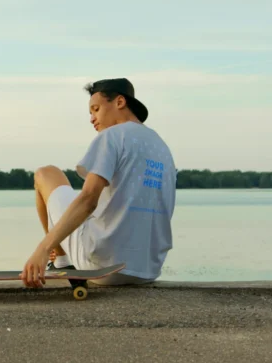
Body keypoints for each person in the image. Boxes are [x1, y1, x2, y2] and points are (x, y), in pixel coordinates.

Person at [20, 78, 176, 288]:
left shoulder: (112, 136)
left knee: (46, 174)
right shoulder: (162, 146)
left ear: (119, 102)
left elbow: (88, 200)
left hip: (103, 267)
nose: (92, 118)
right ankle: (63, 259)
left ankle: (61, 261)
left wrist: (42, 249)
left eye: (96, 109)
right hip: (148, 269)